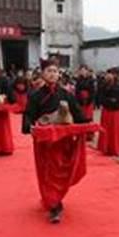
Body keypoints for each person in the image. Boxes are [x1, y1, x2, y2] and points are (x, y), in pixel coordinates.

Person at [22, 59, 90, 223]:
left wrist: (87, 125)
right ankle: (54, 205)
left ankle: (55, 199)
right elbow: (28, 114)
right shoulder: (36, 95)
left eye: (55, 71)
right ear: (43, 74)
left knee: (60, 171)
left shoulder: (66, 94)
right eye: (49, 71)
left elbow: (78, 113)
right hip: (45, 142)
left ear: (59, 74)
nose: (53, 74)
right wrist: (28, 126)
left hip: (62, 141)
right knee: (48, 172)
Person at [97, 68, 119, 156]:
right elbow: (100, 96)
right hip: (107, 109)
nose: (108, 76)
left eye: (111, 74)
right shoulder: (104, 84)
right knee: (106, 128)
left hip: (117, 110)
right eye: (108, 74)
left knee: (116, 130)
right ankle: (105, 147)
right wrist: (108, 101)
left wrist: (117, 101)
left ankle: (116, 147)